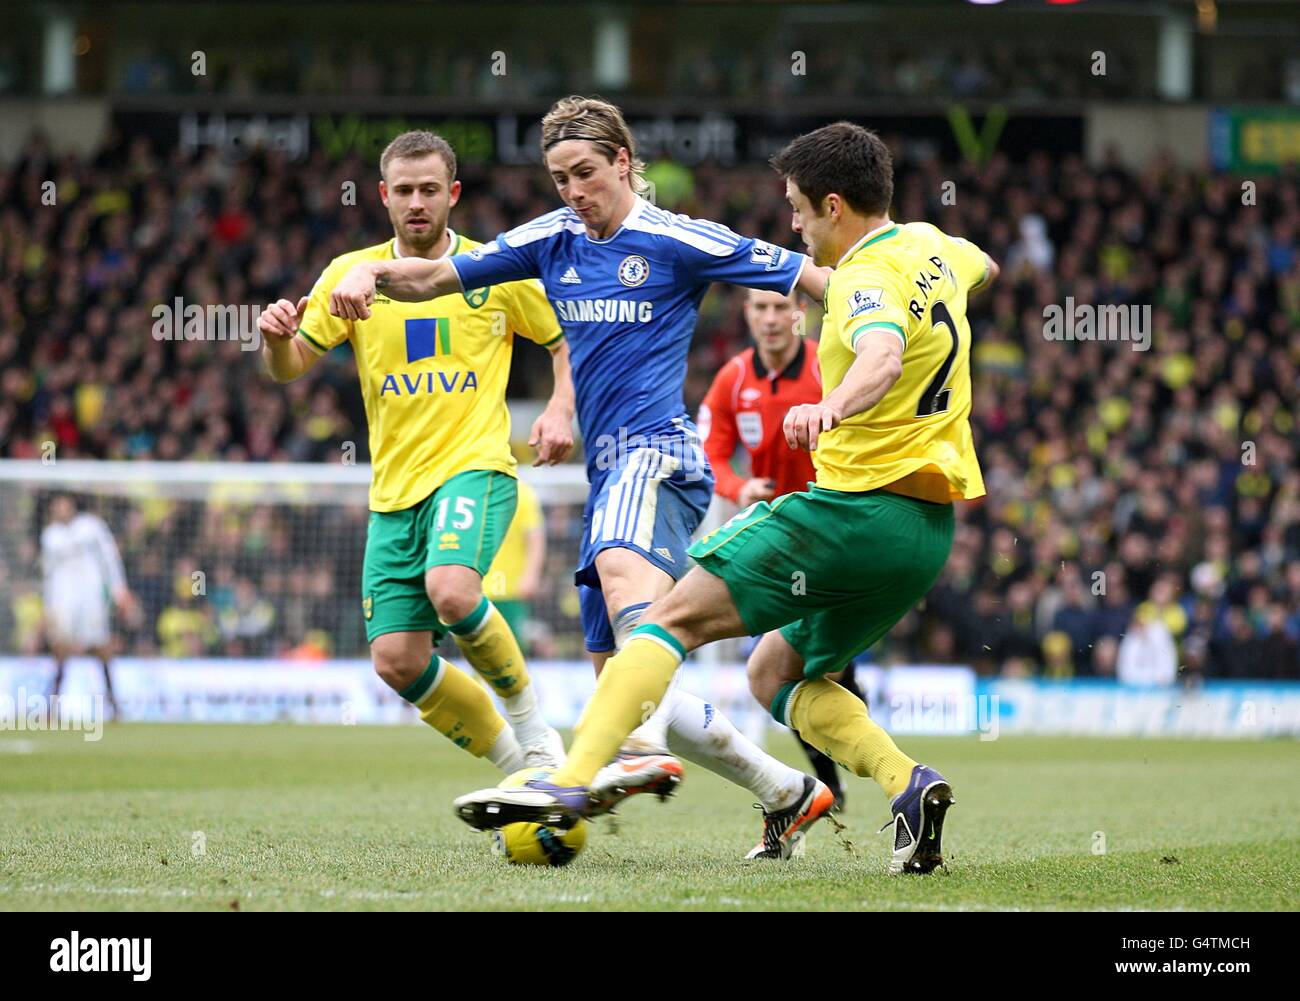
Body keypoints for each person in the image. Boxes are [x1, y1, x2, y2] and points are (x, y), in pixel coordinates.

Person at [453, 121, 999, 876]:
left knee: (668, 620)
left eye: (800, 211)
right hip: (926, 535)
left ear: (834, 206)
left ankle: (570, 779)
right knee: (773, 672)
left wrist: (833, 404)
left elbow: (881, 352)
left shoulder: (868, 277)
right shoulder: (936, 247)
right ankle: (907, 784)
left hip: (850, 513)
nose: (795, 227)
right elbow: (986, 267)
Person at [328, 96, 837, 858]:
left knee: (621, 577)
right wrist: (371, 275)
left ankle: (634, 749)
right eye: (560, 176)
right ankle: (786, 791)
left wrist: (897, 305)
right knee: (623, 676)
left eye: (587, 173)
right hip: (610, 474)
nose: (573, 189)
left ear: (624, 164)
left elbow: (811, 275)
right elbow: (437, 276)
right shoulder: (548, 239)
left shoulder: (676, 237)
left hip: (659, 451)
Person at [258, 130, 575, 779]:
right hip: (393, 496)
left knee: (453, 591)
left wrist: (560, 407)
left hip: (473, 469)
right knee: (397, 661)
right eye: (404, 190)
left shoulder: (494, 269)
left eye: (430, 189)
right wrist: (272, 339)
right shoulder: (349, 276)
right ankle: (524, 770)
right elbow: (291, 367)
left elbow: (563, 339)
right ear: (383, 196)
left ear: (453, 193)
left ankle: (537, 731)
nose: (417, 201)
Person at [699, 287, 865, 809]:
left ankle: (848, 751)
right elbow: (712, 451)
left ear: (801, 314)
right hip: (774, 535)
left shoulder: (828, 367)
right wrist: (737, 487)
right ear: (747, 314)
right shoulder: (734, 379)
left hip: (834, 529)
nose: (771, 319)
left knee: (821, 666)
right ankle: (829, 784)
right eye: (760, 308)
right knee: (782, 666)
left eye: (780, 308)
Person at [41, 494, 138, 720]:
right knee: (61, 650)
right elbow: (47, 574)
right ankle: (51, 707)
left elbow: (110, 559)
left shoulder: (91, 527)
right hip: (63, 599)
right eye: (56, 506)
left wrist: (119, 590)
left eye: (63, 505)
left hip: (91, 597)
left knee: (100, 648)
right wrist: (49, 607)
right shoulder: (50, 536)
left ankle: (113, 705)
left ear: (72, 506)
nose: (60, 510)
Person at [483, 478, 546, 657]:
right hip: (473, 586)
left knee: (511, 647)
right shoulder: (471, 487)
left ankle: (514, 684)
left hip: (508, 588)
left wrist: (531, 575)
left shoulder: (522, 491)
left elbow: (535, 536)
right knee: (475, 645)